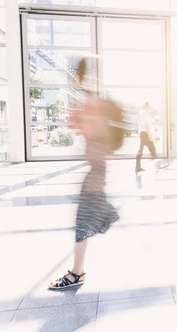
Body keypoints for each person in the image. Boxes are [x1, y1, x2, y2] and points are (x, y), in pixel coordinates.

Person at [49, 58, 120, 290]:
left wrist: (80, 121)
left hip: (96, 174)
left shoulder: (93, 105)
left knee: (83, 223)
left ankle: (76, 273)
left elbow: (89, 130)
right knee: (86, 222)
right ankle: (77, 272)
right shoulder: (94, 102)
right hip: (97, 171)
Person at [135, 102, 156, 172]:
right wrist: (150, 136)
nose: (151, 107)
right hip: (145, 134)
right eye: (150, 106)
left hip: (143, 133)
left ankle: (138, 167)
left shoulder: (143, 113)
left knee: (141, 150)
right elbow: (146, 125)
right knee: (152, 149)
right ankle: (157, 164)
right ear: (147, 106)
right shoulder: (146, 114)